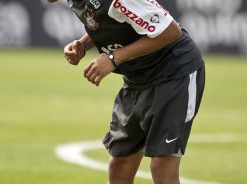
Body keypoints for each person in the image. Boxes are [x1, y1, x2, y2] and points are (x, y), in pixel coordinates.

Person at [48, 0, 205, 183]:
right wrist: (83, 44)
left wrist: (113, 58)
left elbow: (170, 31)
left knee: (162, 167)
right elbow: (109, 21)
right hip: (136, 78)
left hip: (172, 74)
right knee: (120, 165)